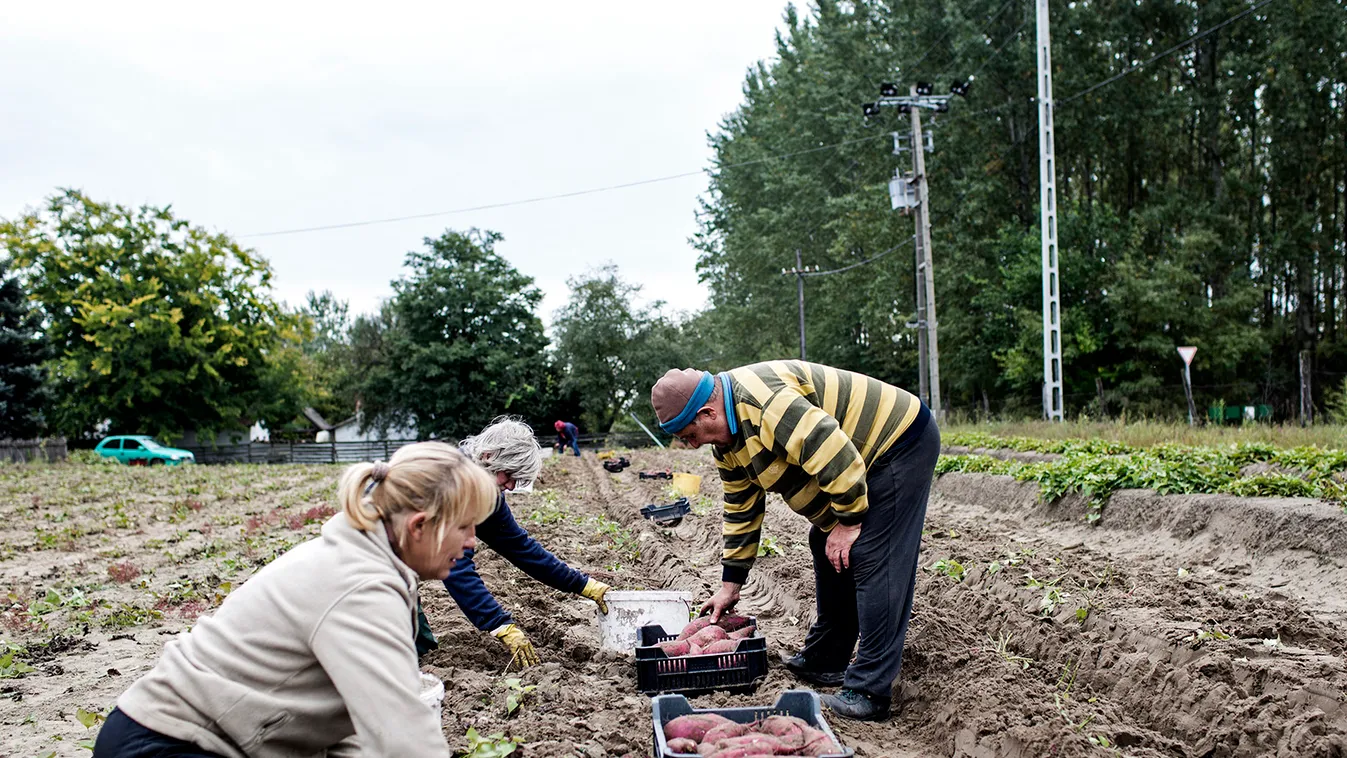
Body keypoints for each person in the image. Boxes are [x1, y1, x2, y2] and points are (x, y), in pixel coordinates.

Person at [93, 442, 498, 758]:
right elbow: (406, 741)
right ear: (419, 526)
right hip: (168, 743)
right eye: (464, 527)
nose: (471, 541)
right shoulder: (360, 587)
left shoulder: (363, 560)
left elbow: (366, 734)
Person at [650, 360, 939, 722]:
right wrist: (730, 584)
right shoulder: (727, 443)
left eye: (689, 436)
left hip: (896, 442)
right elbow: (741, 507)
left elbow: (832, 449)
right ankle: (827, 659)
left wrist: (849, 522)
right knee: (824, 543)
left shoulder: (763, 402)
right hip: (856, 459)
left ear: (707, 412)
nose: (690, 446)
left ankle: (869, 690)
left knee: (870, 553)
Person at [425, 416, 610, 668]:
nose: (511, 486)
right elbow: (455, 563)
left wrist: (584, 585)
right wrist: (498, 623)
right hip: (369, 557)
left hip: (399, 568)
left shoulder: (489, 493)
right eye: (509, 475)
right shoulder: (453, 483)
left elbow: (520, 548)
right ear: (489, 456)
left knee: (419, 650)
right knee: (408, 648)